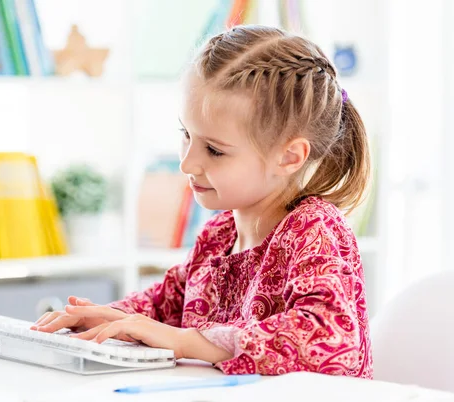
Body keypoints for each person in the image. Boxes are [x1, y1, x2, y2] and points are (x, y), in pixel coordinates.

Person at [31, 25, 372, 378]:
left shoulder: (314, 230)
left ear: (289, 157)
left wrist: (186, 342)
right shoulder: (220, 234)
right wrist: (106, 317)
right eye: (186, 135)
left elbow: (329, 340)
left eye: (214, 150)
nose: (187, 163)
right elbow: (163, 306)